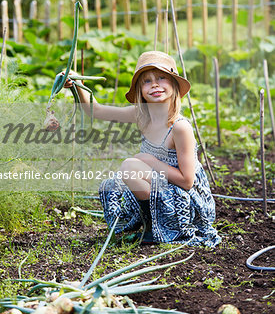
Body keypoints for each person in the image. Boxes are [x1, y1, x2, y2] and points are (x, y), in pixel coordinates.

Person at [64, 51, 221, 246]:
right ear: (140, 90)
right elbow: (95, 111)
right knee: (112, 184)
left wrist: (150, 161)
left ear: (174, 84)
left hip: (187, 203)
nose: (154, 84)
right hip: (165, 192)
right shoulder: (142, 116)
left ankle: (163, 227)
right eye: (147, 81)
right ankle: (152, 224)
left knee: (130, 167)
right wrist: (76, 82)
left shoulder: (180, 128)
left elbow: (187, 182)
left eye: (162, 78)